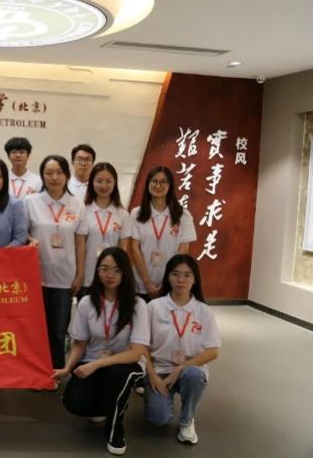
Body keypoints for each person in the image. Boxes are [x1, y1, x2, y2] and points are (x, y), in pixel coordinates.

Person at [55, 247, 149, 456]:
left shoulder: (138, 305)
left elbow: (136, 352)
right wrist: (67, 368)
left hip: (126, 364)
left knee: (118, 375)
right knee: (74, 402)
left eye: (116, 270)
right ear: (97, 271)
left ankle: (115, 426)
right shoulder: (87, 303)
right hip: (92, 360)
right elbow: (80, 344)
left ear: (125, 273)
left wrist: (96, 365)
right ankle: (106, 406)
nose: (110, 275)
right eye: (104, 269)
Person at [144, 254, 220, 445]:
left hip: (189, 369)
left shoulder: (203, 311)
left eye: (187, 275)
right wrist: (151, 374)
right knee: (158, 418)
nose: (181, 280)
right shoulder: (153, 307)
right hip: (160, 371)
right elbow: (141, 346)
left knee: (193, 375)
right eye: (175, 274)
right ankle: (161, 400)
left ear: (195, 279)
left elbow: (212, 351)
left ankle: (187, 420)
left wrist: (180, 368)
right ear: (168, 277)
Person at [24, 155, 84, 369]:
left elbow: (80, 242)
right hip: (35, 277)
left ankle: (56, 371)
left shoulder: (77, 204)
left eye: (59, 172)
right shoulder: (30, 202)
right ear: (42, 176)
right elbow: (21, 233)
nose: (54, 177)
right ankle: (33, 371)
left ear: (67, 175)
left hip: (64, 277)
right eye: (49, 173)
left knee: (58, 331)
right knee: (34, 329)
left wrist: (80, 275)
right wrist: (29, 240)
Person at [129, 166, 197, 301]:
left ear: (170, 186)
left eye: (163, 182)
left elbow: (183, 251)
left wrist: (167, 281)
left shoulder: (183, 215)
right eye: (154, 181)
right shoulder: (136, 213)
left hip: (171, 283)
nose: (158, 185)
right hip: (141, 283)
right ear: (148, 184)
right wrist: (147, 282)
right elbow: (135, 249)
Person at [76, 163, 131, 296]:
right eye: (99, 181)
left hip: (111, 278)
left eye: (108, 181)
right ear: (92, 183)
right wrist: (79, 274)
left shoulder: (122, 214)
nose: (104, 186)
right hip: (88, 275)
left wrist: (120, 275)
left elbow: (123, 249)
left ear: (115, 183)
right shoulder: (83, 210)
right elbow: (80, 246)